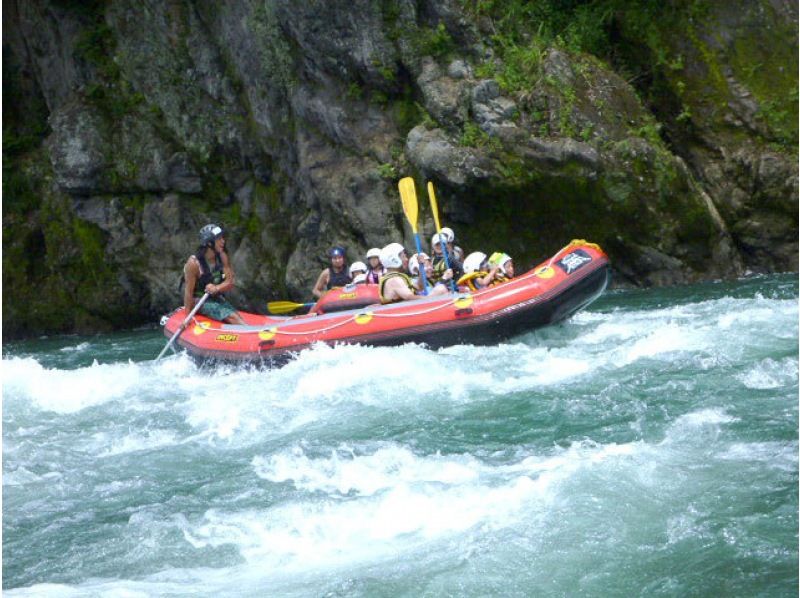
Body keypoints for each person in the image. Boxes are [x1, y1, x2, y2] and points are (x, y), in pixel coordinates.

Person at [183, 224, 245, 324]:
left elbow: (230, 282)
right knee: (233, 318)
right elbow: (188, 292)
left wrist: (216, 288)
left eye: (222, 238)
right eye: (219, 239)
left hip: (215, 298)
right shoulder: (194, 264)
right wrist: (187, 316)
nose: (223, 241)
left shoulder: (222, 256)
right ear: (209, 243)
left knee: (237, 318)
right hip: (199, 301)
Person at [379, 243, 449, 303]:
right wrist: (431, 299)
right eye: (404, 256)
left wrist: (421, 268)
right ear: (394, 260)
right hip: (400, 315)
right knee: (441, 289)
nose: (406, 259)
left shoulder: (397, 278)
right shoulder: (394, 280)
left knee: (440, 288)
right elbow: (410, 297)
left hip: (405, 312)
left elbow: (420, 287)